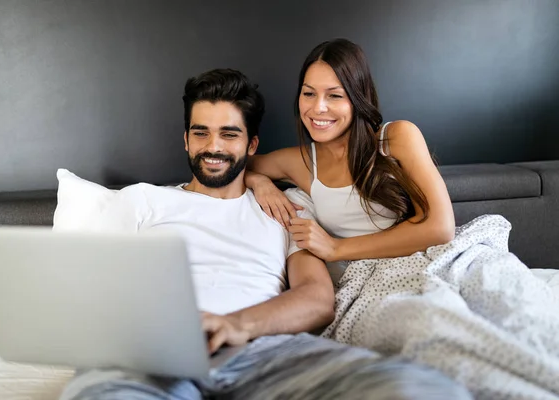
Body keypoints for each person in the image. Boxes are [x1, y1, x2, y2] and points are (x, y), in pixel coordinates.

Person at [58, 69, 471, 399]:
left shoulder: (288, 209)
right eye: (200, 132)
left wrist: (238, 324)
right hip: (152, 355)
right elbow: (88, 285)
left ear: (252, 144)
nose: (212, 146)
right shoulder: (141, 201)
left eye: (229, 134)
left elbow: (317, 300)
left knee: (421, 389)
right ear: (185, 140)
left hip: (267, 349)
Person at [245, 38, 455, 282]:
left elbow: (440, 228)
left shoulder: (397, 137)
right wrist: (258, 182)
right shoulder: (300, 161)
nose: (318, 108)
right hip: (367, 284)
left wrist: (336, 248)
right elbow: (227, 165)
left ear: (357, 98)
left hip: (424, 267)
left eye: (334, 96)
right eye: (309, 93)